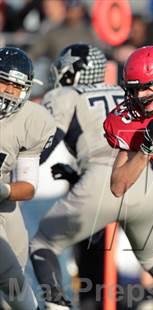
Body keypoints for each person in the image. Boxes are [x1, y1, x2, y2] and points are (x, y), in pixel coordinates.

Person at [29, 44, 153, 310]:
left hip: (103, 181)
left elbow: (44, 144)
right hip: (147, 182)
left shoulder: (65, 94)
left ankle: (56, 304)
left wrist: (19, 171)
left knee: (42, 243)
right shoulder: (124, 91)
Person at [0, 47, 56, 310]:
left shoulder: (33, 121)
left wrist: (2, 190)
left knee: (15, 280)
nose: (8, 93)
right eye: (4, 84)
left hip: (3, 202)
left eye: (16, 87)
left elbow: (27, 187)